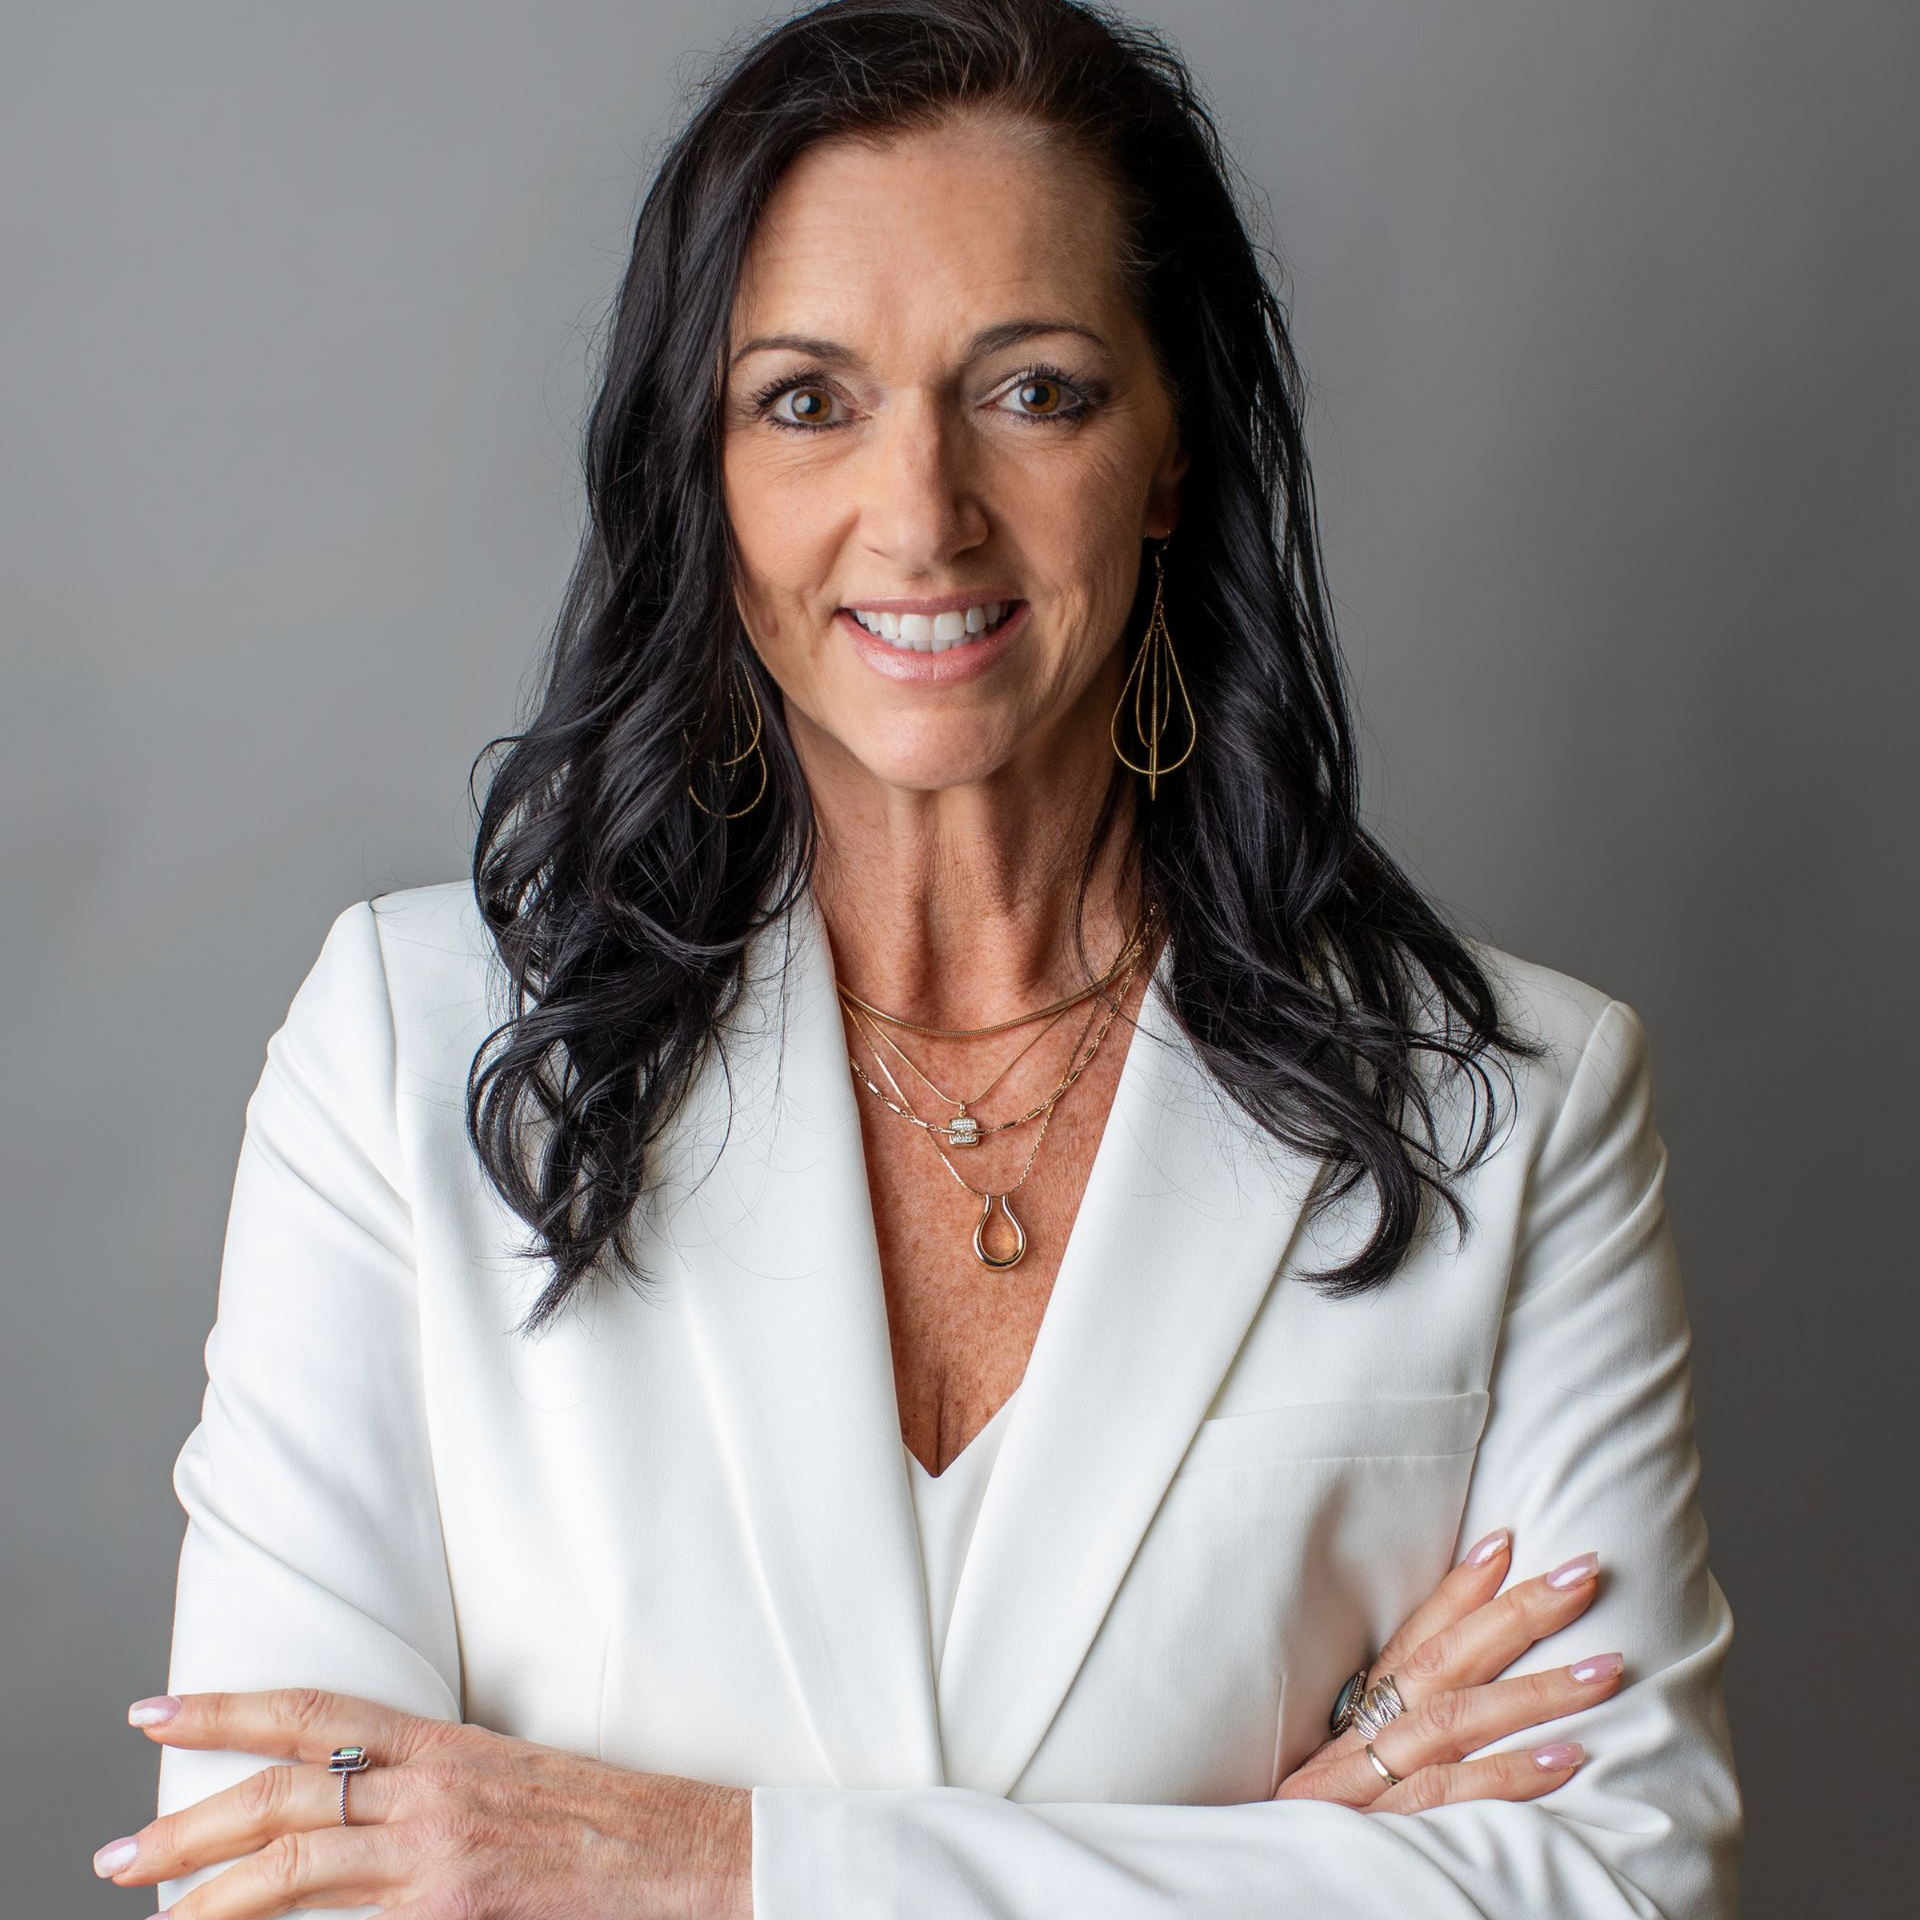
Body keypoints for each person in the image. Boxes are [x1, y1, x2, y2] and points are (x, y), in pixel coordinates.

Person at [102, 2, 1740, 1915]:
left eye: (1032, 389)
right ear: (701, 475)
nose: (922, 514)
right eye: (806, 400)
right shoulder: (406, 1054)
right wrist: (1288, 1860)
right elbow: (290, 1878)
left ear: (1170, 450)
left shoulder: (1515, 1107)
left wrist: (702, 1868)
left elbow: (1619, 1890)